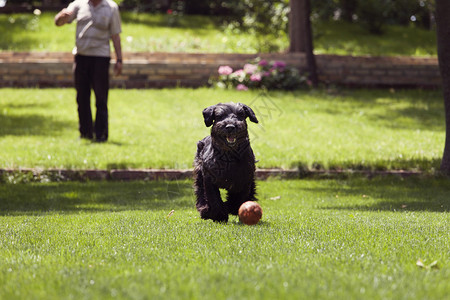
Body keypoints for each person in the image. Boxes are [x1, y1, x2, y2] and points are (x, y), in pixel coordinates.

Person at [55, 0, 123, 142]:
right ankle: (85, 133)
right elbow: (59, 22)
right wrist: (61, 16)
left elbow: (115, 35)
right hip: (81, 58)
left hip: (101, 58)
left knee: (101, 98)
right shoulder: (78, 4)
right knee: (82, 97)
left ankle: (101, 134)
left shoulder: (111, 7)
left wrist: (119, 59)